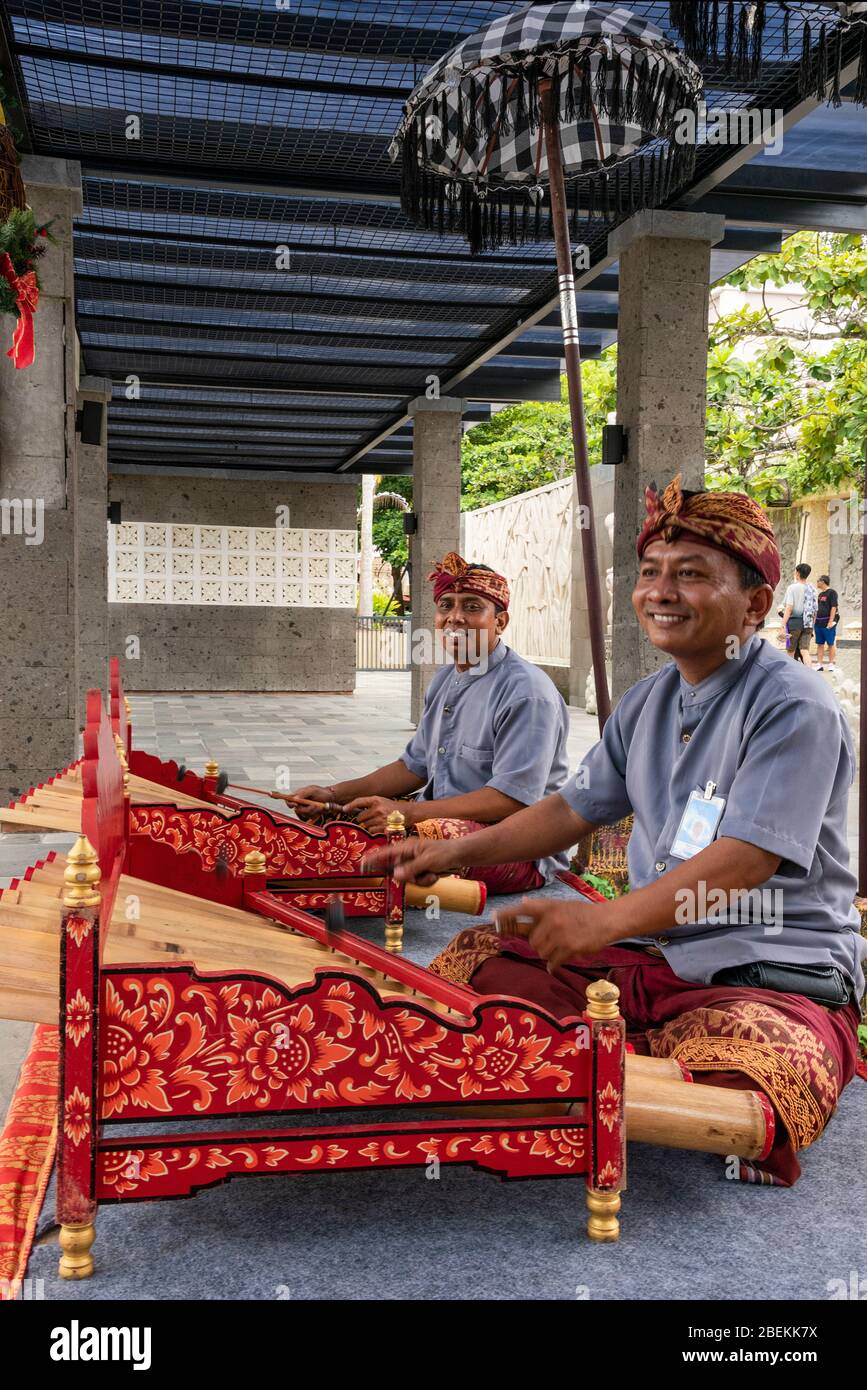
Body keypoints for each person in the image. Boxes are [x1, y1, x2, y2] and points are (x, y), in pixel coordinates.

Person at [366, 476, 866, 1187]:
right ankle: (613, 1062)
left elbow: (744, 862)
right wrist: (452, 850)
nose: (660, 592)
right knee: (481, 959)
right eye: (652, 573)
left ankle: (584, 1063)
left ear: (754, 604)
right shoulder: (650, 699)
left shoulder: (794, 704)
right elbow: (571, 809)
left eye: (690, 575)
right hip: (652, 953)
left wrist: (598, 921)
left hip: (762, 968)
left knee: (764, 1071)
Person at [289, 551, 571, 893]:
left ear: (501, 621)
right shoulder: (444, 680)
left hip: (515, 847)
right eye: (446, 606)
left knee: (400, 843)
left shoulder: (527, 692)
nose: (455, 618)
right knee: (334, 819)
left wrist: (405, 814)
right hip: (441, 821)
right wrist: (333, 794)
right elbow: (414, 767)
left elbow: (511, 799)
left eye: (471, 607)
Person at [781, 562, 817, 667]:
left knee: (790, 651)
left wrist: (782, 624)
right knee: (805, 651)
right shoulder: (813, 589)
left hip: (794, 623)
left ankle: (791, 676)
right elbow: (815, 611)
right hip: (808, 624)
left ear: (797, 573)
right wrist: (812, 626)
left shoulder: (792, 588)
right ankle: (810, 675)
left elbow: (789, 608)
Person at [814, 574, 840, 672]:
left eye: (818, 581)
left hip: (828, 623)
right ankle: (819, 664)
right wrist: (814, 621)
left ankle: (831, 664)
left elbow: (834, 607)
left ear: (823, 581)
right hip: (818, 623)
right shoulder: (820, 594)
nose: (817, 583)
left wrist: (830, 621)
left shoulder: (832, 593)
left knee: (830, 643)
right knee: (819, 644)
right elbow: (817, 609)